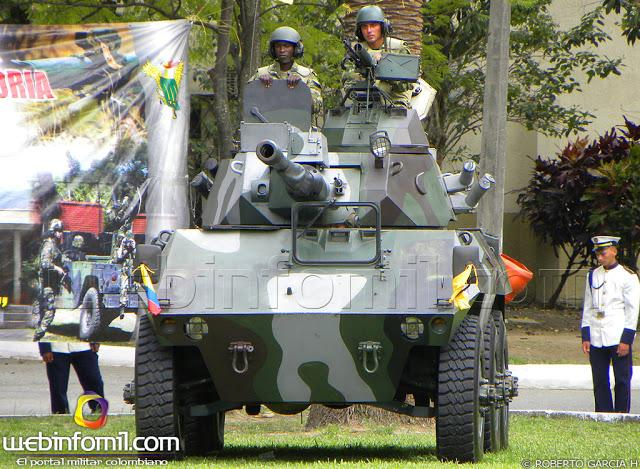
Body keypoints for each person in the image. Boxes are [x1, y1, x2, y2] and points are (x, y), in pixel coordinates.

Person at [581, 235, 640, 413]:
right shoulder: (593, 275)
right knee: (599, 379)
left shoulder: (627, 276)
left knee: (622, 379)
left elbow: (632, 310)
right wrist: (586, 335)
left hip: (617, 334)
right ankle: (603, 413)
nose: (600, 257)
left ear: (614, 251)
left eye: (603, 253)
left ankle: (622, 414)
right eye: (597, 254)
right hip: (597, 335)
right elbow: (588, 306)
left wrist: (626, 340)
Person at [341, 5, 413, 108]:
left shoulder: (398, 48)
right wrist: (362, 75)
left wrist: (384, 68)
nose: (369, 30)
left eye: (373, 25)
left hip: (395, 101)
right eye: (364, 26)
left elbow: (406, 84)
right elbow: (348, 82)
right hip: (364, 103)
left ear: (383, 27)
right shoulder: (356, 50)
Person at [250, 26, 323, 125]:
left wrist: (300, 89)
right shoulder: (261, 74)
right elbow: (248, 105)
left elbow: (316, 106)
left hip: (299, 132)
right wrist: (258, 86)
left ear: (296, 49)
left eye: (286, 46)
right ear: (273, 49)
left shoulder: (306, 75)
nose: (281, 50)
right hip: (267, 130)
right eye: (278, 46)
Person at [38, 342, 105, 414]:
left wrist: (95, 339)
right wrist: (44, 348)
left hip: (83, 346)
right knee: (58, 385)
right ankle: (60, 415)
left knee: (94, 381)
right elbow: (41, 330)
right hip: (57, 349)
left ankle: (98, 411)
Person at [33, 219, 67, 341]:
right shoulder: (49, 245)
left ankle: (38, 334)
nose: (60, 233)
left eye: (61, 231)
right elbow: (45, 263)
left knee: (43, 311)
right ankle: (39, 333)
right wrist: (57, 268)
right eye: (58, 231)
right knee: (50, 311)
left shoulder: (55, 245)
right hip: (46, 284)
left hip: (49, 284)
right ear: (53, 232)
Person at [114, 229, 136, 319]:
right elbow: (118, 259)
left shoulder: (131, 243)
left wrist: (129, 250)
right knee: (123, 287)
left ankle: (122, 307)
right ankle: (122, 308)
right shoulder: (121, 247)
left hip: (128, 268)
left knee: (126, 287)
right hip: (122, 268)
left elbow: (133, 254)